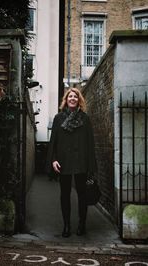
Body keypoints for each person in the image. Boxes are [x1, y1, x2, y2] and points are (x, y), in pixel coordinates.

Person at [48, 88, 97, 237]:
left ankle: (82, 224)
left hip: (81, 162)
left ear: (79, 100)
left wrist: (90, 165)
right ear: (66, 99)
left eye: (75, 96)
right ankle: (67, 225)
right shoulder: (58, 118)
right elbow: (53, 142)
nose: (73, 98)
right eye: (70, 96)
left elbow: (90, 143)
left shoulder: (85, 118)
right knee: (65, 195)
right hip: (64, 162)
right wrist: (54, 159)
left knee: (82, 195)